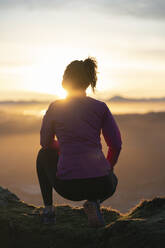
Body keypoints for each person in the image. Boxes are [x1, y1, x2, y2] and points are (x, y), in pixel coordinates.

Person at [36, 57, 122, 227]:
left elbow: (45, 144)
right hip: (103, 185)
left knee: (43, 155)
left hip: (69, 187)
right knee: (113, 179)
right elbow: (116, 145)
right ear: (88, 82)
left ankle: (48, 211)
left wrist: (64, 147)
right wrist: (107, 167)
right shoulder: (101, 108)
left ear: (65, 81)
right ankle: (93, 202)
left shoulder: (55, 107)